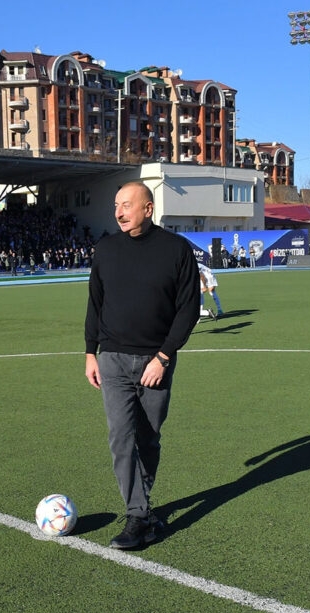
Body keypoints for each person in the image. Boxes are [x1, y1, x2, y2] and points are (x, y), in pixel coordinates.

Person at [84, 181, 200, 550]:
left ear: (148, 209)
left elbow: (188, 309)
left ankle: (143, 507)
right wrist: (90, 351)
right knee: (121, 436)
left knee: (149, 438)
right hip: (113, 358)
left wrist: (164, 357)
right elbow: (94, 303)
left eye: (127, 205)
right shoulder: (105, 249)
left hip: (156, 361)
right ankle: (137, 515)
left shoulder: (176, 250)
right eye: (116, 205)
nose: (119, 212)